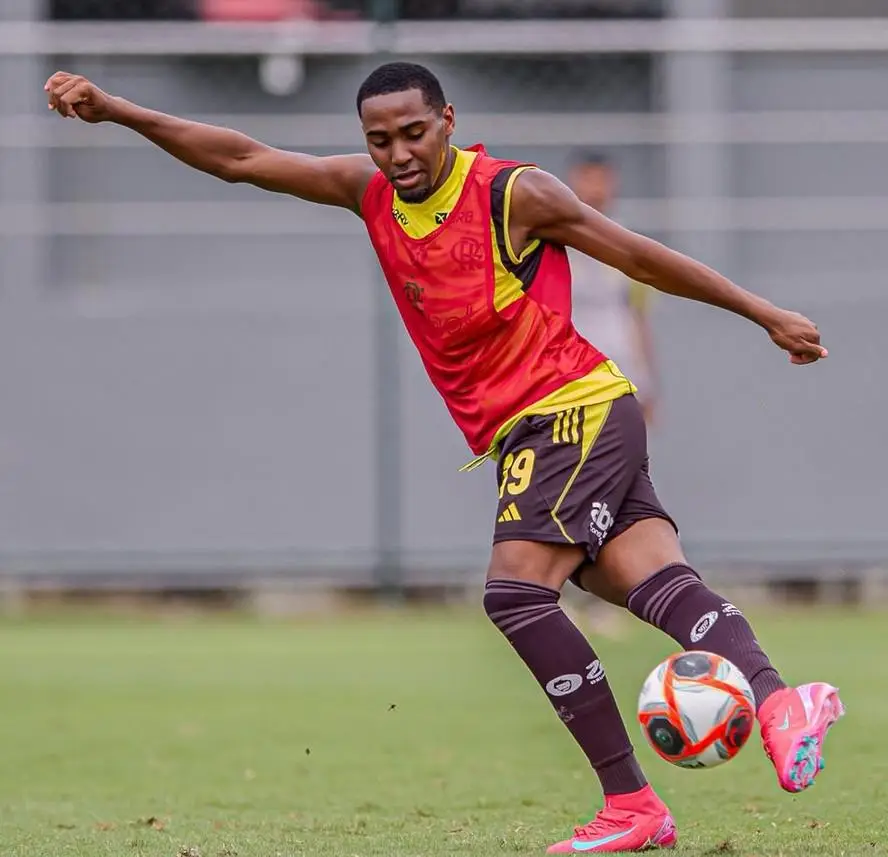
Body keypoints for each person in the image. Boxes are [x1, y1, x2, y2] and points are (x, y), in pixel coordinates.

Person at [44, 62, 844, 854]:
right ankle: (780, 702)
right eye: (380, 139)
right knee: (639, 575)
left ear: (449, 120)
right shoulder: (370, 194)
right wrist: (116, 109)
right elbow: (242, 160)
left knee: (516, 595)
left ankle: (631, 801)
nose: (399, 154)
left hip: (569, 409)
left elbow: (633, 254)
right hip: (540, 427)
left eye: (414, 133)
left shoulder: (513, 194)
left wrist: (762, 311)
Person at [566, 152, 657, 426]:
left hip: (620, 360)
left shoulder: (631, 242)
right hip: (570, 364)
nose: (595, 189)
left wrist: (648, 382)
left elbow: (638, 317)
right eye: (587, 179)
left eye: (601, 180)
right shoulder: (552, 242)